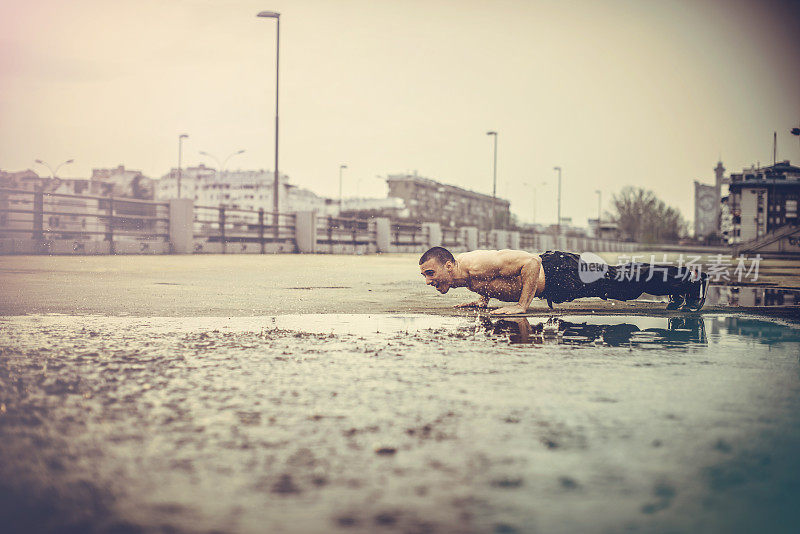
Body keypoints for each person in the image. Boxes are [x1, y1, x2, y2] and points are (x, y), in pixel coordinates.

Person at [418, 247, 709, 315]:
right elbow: (493, 282)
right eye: (425, 277)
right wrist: (482, 301)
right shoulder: (462, 276)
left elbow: (530, 263)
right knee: (622, 285)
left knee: (623, 282)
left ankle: (691, 279)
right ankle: (680, 288)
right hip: (558, 281)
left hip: (561, 271)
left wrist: (522, 306)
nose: (429, 281)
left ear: (448, 264)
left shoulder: (477, 263)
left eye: (431, 274)